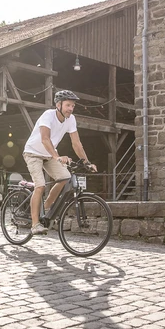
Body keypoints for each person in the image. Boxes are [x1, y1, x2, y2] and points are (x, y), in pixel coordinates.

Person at [22, 89, 96, 235]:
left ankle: (45, 208)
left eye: (73, 106)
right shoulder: (48, 115)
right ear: (58, 105)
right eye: (68, 105)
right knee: (40, 185)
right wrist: (57, 157)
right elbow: (45, 139)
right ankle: (35, 224)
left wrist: (87, 162)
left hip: (49, 155)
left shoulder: (71, 119)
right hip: (33, 153)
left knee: (65, 178)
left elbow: (76, 143)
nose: (71, 108)